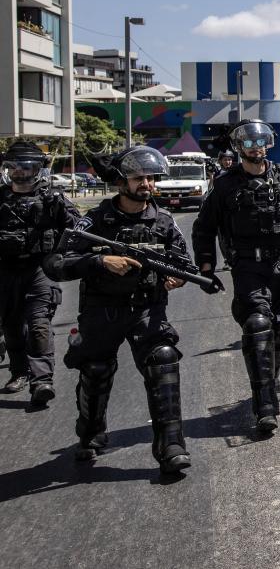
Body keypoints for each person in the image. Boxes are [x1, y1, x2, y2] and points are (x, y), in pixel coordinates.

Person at [43, 146, 192, 473]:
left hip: (147, 311)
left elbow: (183, 263)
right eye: (139, 178)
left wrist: (175, 278)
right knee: (95, 371)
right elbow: (56, 263)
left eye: (151, 178)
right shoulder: (94, 220)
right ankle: (91, 432)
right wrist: (99, 261)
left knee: (164, 361)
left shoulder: (163, 222)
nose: (147, 184)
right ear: (121, 182)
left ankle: (171, 445)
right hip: (102, 311)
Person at [191, 119, 280, 435]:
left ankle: (269, 378)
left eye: (261, 141)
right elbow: (204, 228)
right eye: (248, 143)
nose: (256, 147)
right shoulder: (224, 186)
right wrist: (206, 266)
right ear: (238, 148)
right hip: (248, 266)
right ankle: (264, 405)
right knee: (257, 324)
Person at [0, 142, 77, 404]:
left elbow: (78, 228)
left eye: (26, 167)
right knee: (11, 326)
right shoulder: (1, 198)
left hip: (39, 269)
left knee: (38, 325)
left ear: (37, 169)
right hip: (6, 270)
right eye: (14, 167)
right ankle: (19, 373)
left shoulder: (52, 198)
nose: (19, 172)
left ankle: (42, 380)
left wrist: (60, 209)